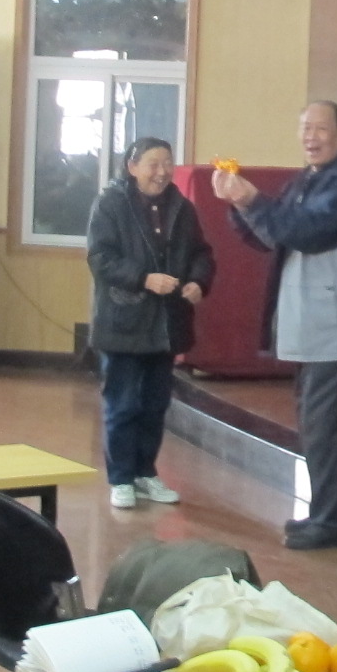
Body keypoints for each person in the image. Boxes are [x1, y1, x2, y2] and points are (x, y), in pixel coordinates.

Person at [213, 101, 337, 551]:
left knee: (326, 426)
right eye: (305, 128)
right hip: (314, 327)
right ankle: (328, 515)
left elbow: (303, 230)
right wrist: (238, 203)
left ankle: (333, 522)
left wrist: (252, 199)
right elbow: (272, 234)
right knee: (316, 425)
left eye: (320, 129)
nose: (311, 137)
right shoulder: (306, 179)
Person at [87, 137, 215, 510]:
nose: (162, 172)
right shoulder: (110, 204)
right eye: (153, 164)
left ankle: (145, 473)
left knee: (155, 405)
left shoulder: (182, 207)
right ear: (132, 167)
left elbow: (202, 253)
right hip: (123, 321)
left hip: (167, 323)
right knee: (123, 404)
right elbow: (100, 258)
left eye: (167, 164)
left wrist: (199, 281)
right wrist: (144, 279)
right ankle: (121, 478)